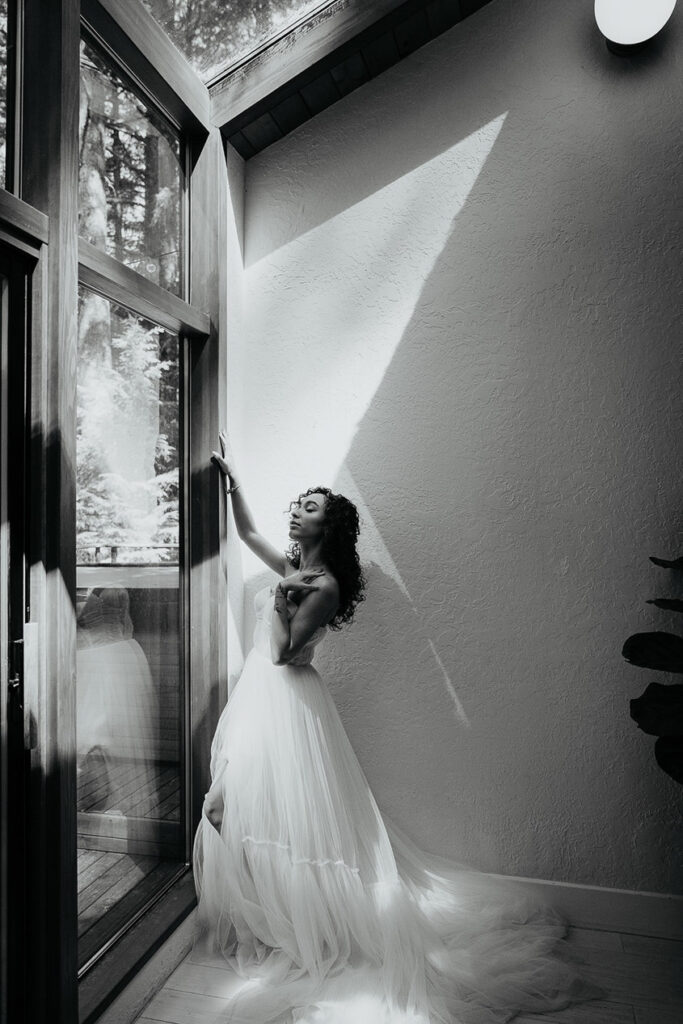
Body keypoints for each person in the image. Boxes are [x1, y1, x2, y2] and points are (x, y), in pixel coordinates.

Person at [191, 431, 605, 1024]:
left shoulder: (323, 586)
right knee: (237, 808)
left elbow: (282, 653)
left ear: (327, 528)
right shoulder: (296, 568)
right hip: (264, 698)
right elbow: (251, 535)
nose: (297, 510)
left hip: (286, 699)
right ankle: (275, 915)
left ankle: (306, 926)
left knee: (245, 810)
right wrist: (235, 486)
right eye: (300, 503)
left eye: (310, 507)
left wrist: (283, 600)